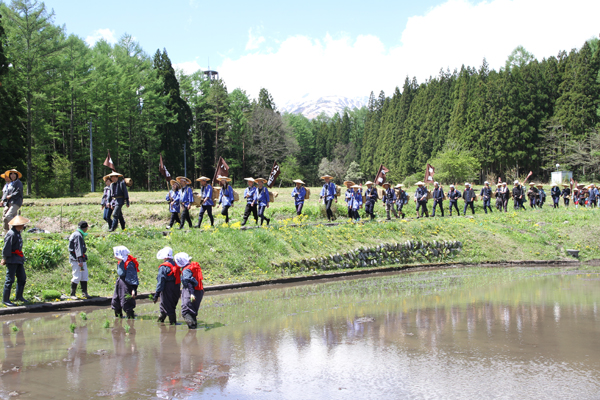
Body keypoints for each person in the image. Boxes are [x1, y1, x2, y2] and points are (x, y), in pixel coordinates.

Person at [1, 215, 29, 306]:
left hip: (18, 259)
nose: (24, 225)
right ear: (18, 225)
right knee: (10, 279)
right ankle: (5, 300)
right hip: (12, 259)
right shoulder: (11, 234)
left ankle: (19, 296)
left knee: (22, 278)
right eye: (22, 224)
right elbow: (7, 247)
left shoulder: (17, 233)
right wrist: (4, 258)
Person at [176, 252, 204, 329]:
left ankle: (192, 330)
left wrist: (191, 293)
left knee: (186, 312)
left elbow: (188, 282)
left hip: (191, 292)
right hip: (199, 291)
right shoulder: (194, 266)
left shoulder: (186, 270)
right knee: (193, 312)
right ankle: (194, 329)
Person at [153, 247, 180, 325]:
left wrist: (156, 294)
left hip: (167, 288)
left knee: (168, 306)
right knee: (169, 305)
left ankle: (173, 324)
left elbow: (161, 281)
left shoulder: (163, 267)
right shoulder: (176, 264)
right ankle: (161, 320)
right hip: (176, 288)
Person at [111, 246, 139, 319]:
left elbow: (133, 277)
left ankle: (130, 319)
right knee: (115, 301)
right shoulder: (120, 262)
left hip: (127, 284)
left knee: (126, 302)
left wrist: (134, 289)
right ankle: (118, 318)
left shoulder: (129, 263)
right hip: (120, 282)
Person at [68, 221, 90, 299]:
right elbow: (78, 248)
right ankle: (72, 294)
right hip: (76, 259)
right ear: (85, 228)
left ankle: (85, 293)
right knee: (77, 276)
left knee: (84, 275)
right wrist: (79, 260)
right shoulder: (77, 235)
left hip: (81, 258)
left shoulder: (78, 234)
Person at [2, 169, 23, 235]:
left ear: (17, 175)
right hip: (10, 202)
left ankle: (19, 227)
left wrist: (11, 195)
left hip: (16, 202)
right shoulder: (11, 183)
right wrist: (3, 200)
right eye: (11, 174)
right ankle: (15, 232)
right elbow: (6, 192)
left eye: (14, 174)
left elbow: (19, 191)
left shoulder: (18, 182)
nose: (12, 175)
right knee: (13, 217)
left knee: (8, 215)